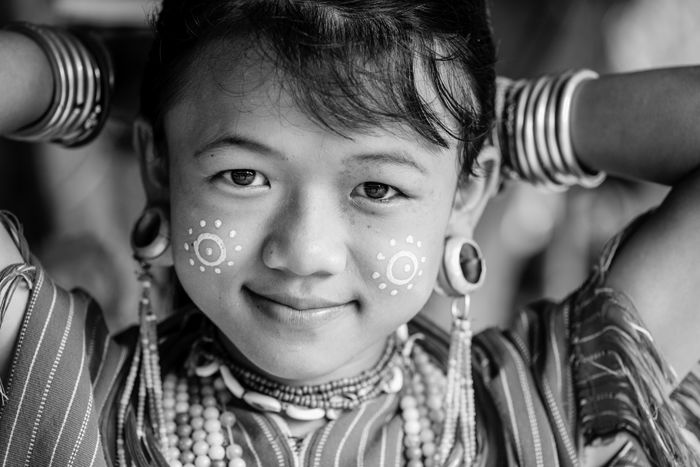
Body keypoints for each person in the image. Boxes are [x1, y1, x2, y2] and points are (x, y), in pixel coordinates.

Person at [0, 1, 699, 466]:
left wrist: (485, 118)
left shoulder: (543, 418)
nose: (305, 252)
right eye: (244, 175)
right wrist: (97, 78)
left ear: (468, 193)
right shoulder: (66, 392)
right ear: (161, 164)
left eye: (378, 187)